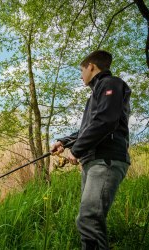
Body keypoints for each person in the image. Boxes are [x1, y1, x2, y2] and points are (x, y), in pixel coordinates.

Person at [51, 50, 131, 250]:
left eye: (81, 70)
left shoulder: (111, 83)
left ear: (91, 67)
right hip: (95, 160)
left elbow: (106, 121)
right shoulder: (95, 94)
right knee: (90, 219)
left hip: (106, 160)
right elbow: (90, 127)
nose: (81, 75)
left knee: (88, 219)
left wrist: (75, 151)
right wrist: (64, 142)